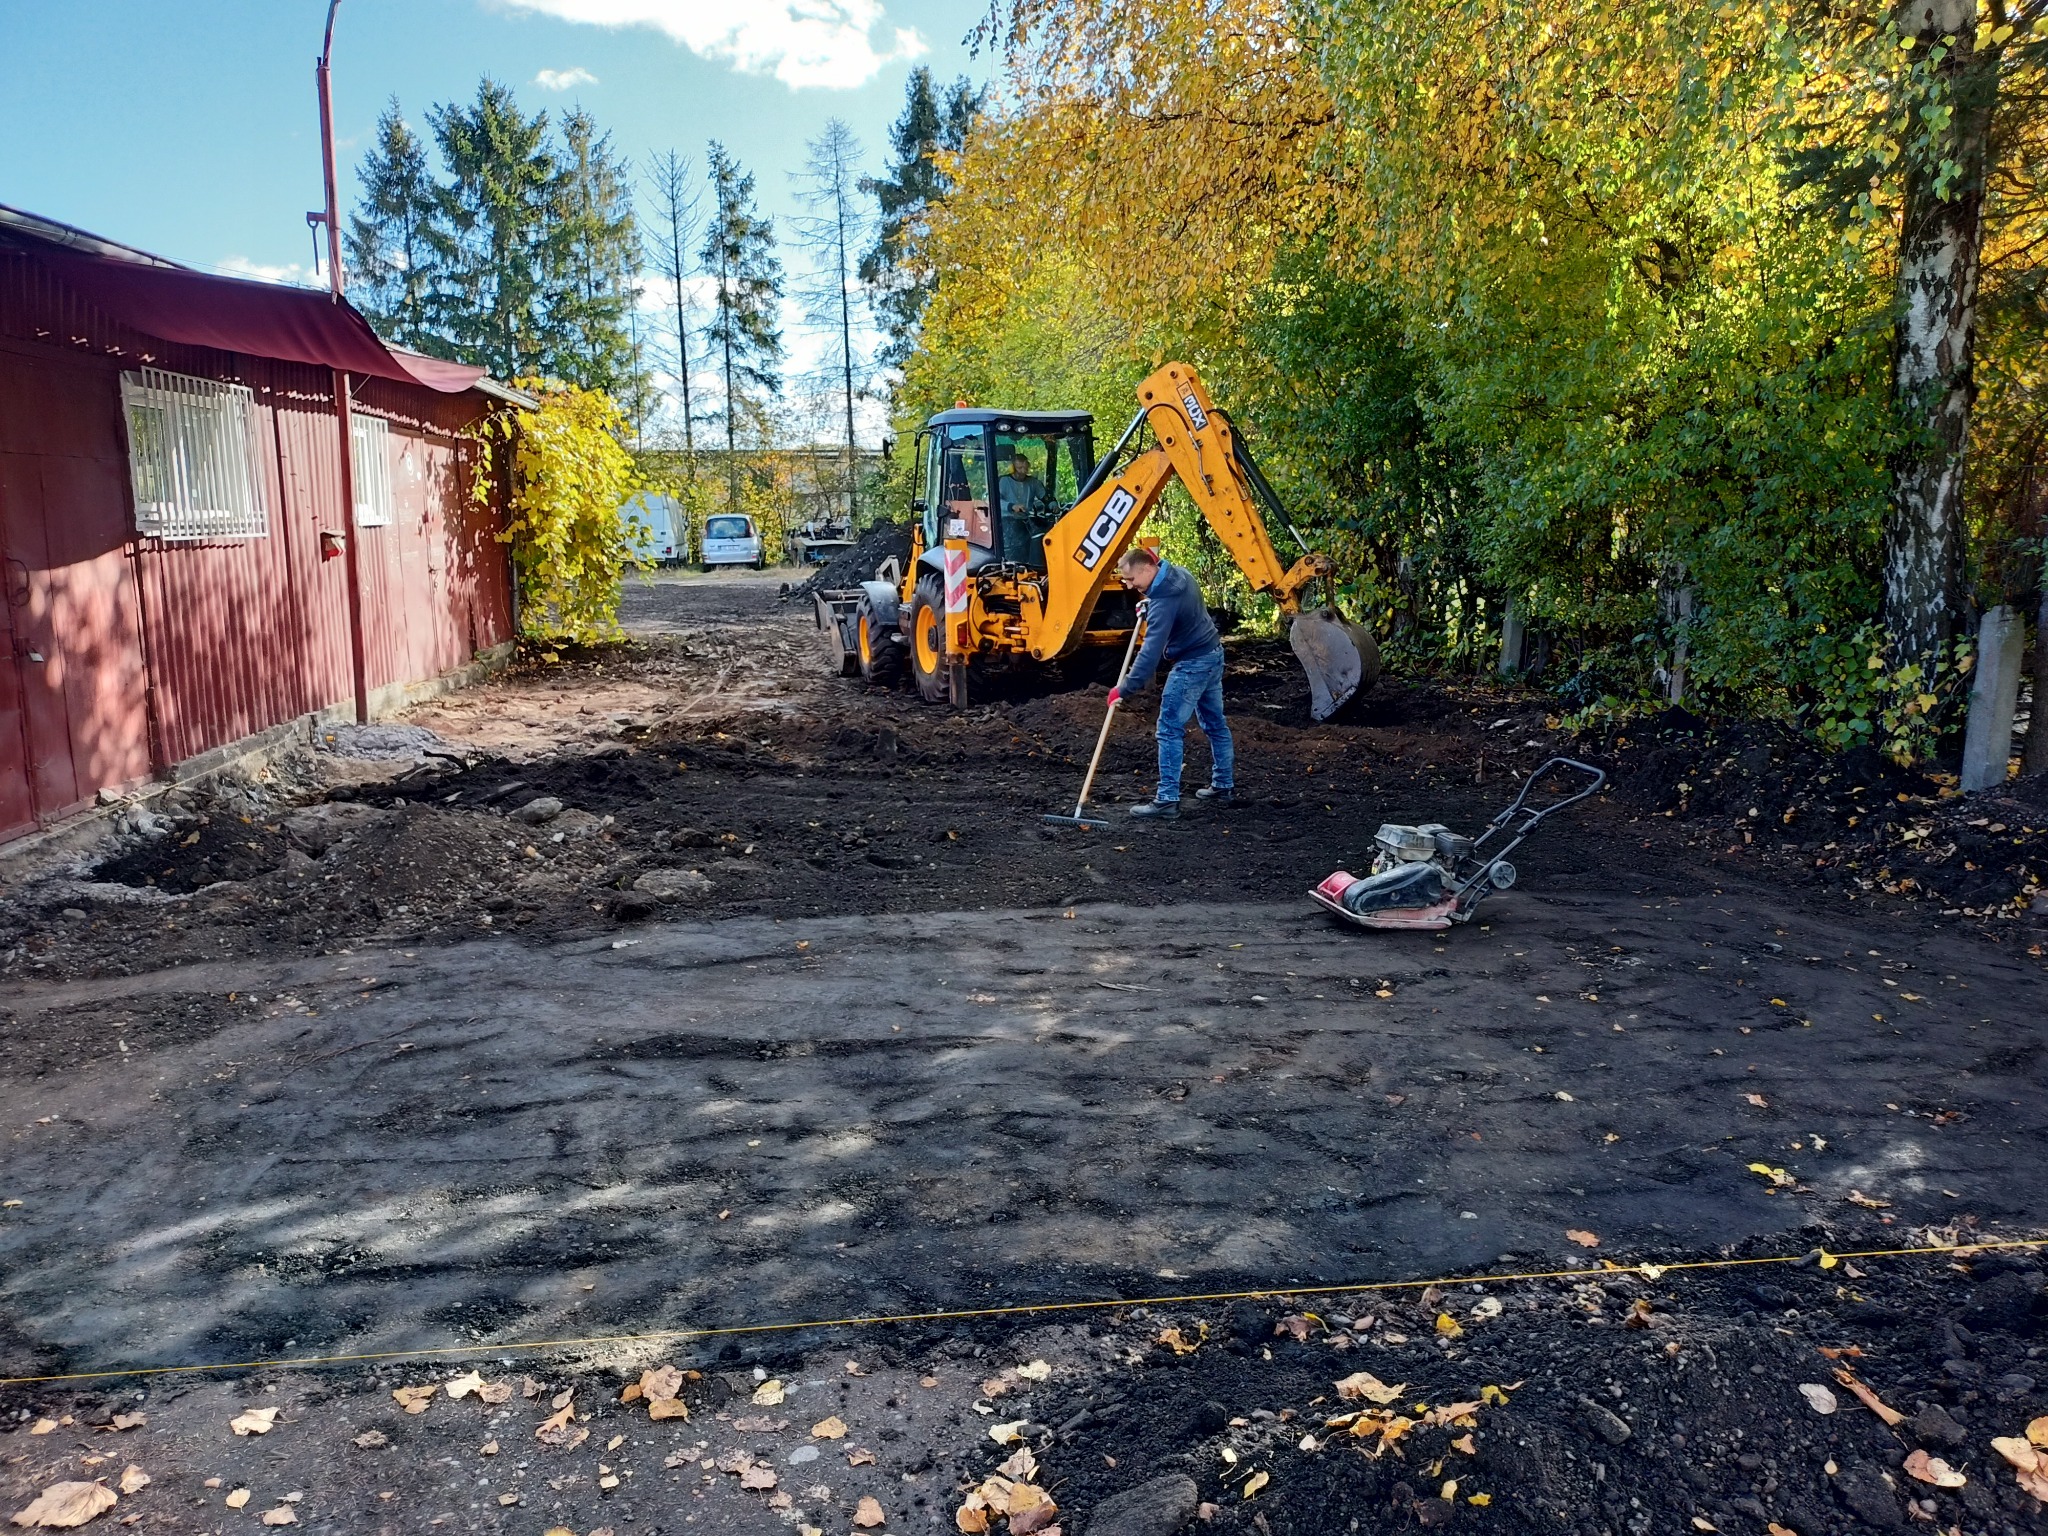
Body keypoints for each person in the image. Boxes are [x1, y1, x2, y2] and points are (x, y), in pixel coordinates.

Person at [1106, 546, 1234, 819]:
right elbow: (1177, 607)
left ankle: (1166, 800)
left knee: (1168, 728)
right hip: (1213, 653)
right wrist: (1149, 602)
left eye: (1131, 579)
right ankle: (1224, 786)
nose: (1129, 585)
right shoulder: (1181, 574)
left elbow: (1149, 654)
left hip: (1192, 665)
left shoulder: (1164, 602)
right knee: (1215, 724)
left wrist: (1124, 688)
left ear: (1146, 569)